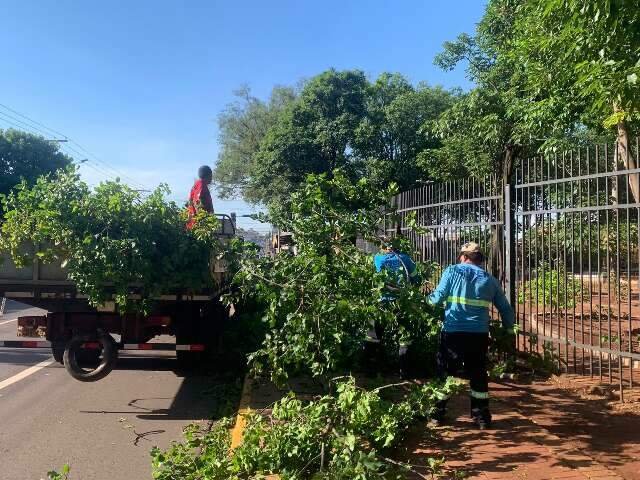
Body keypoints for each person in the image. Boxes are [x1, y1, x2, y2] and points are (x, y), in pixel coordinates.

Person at [428, 242, 514, 430]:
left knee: (445, 372)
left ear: (464, 257)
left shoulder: (452, 272)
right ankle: (482, 418)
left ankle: (437, 414)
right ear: (480, 260)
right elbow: (505, 309)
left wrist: (423, 303)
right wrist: (509, 330)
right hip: (478, 334)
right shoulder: (490, 280)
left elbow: (437, 298)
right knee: (478, 373)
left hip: (452, 332)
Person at [373, 236, 420, 376]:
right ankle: (404, 372)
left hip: (383, 303)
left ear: (383, 247)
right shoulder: (405, 259)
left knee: (374, 336)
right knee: (404, 336)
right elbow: (416, 278)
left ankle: (374, 370)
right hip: (402, 302)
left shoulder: (378, 259)